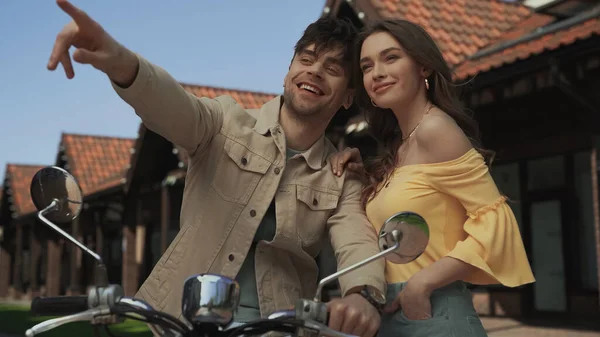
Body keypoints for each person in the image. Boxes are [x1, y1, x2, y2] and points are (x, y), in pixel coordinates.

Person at [47, 1, 387, 336]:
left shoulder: (342, 175)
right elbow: (172, 106)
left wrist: (363, 295)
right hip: (178, 321)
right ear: (288, 72)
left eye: (332, 68)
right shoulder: (224, 121)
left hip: (277, 328)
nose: (314, 71)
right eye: (307, 59)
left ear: (347, 96)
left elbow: (356, 240)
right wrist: (118, 60)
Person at [330, 19, 535, 337]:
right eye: (367, 66)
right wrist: (363, 177)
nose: (377, 73)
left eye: (391, 57)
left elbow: (495, 220)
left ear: (423, 66)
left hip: (433, 314)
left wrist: (422, 283)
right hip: (390, 315)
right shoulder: (400, 146)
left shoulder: (435, 130)